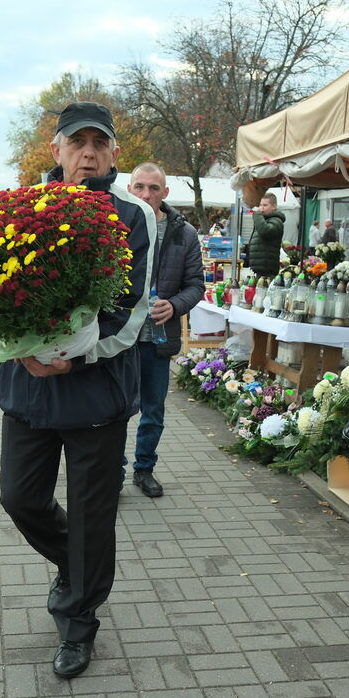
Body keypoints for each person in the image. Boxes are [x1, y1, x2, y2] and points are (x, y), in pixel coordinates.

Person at [0, 101, 153, 679]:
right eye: (77, 143)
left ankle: (78, 620)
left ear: (113, 153)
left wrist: (76, 353)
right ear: (55, 150)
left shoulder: (134, 214)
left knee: (92, 516)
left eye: (99, 144)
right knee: (20, 496)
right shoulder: (16, 207)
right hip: (28, 388)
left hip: (95, 392)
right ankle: (76, 563)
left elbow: (133, 310)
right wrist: (24, 347)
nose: (89, 153)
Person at [125, 161, 204, 498]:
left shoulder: (184, 233)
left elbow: (196, 285)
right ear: (129, 190)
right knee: (114, 410)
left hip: (158, 338)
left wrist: (174, 305)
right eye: (140, 187)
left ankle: (144, 470)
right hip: (118, 339)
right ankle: (111, 473)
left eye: (153, 188)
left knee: (153, 410)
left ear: (165, 193)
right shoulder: (115, 226)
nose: (146, 194)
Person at [247, 192, 284, 278]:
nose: (261, 208)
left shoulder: (277, 221)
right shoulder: (264, 220)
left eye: (265, 205)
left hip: (267, 270)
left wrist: (257, 215)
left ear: (274, 206)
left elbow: (265, 231)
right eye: (260, 205)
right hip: (260, 268)